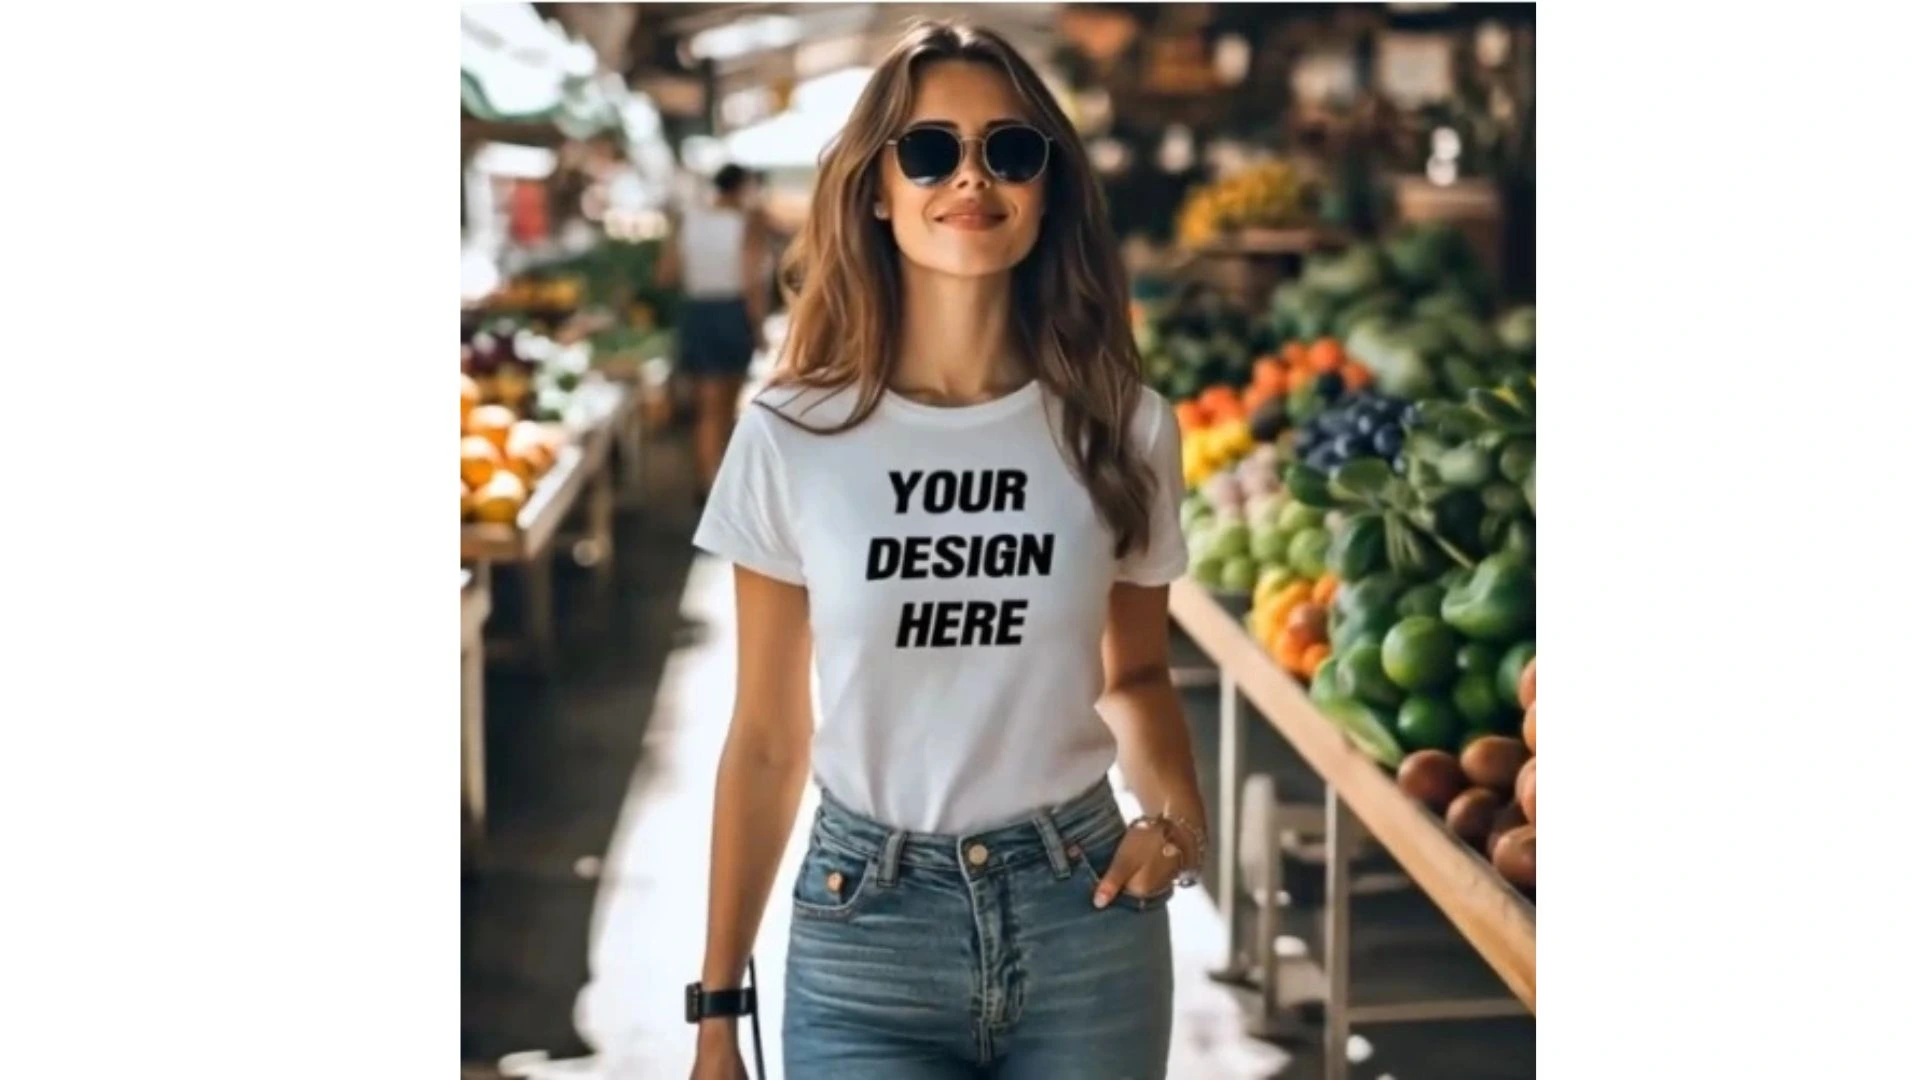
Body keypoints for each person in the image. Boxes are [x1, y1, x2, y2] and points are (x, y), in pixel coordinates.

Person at [685, 20, 1207, 1080]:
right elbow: (770, 738)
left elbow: (1140, 676)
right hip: (864, 931)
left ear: (1047, 188)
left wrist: (1180, 826)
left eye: (1009, 150)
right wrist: (715, 1013)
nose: (971, 175)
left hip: (1086, 917)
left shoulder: (1124, 424)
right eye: (930, 150)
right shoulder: (791, 434)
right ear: (876, 188)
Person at [656, 162, 771, 499]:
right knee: (726, 402)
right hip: (730, 312)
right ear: (741, 188)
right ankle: (718, 479)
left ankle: (705, 475)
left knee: (705, 402)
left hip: (696, 312)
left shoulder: (688, 220)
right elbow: (753, 282)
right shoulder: (746, 223)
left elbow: (666, 274)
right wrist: (759, 328)